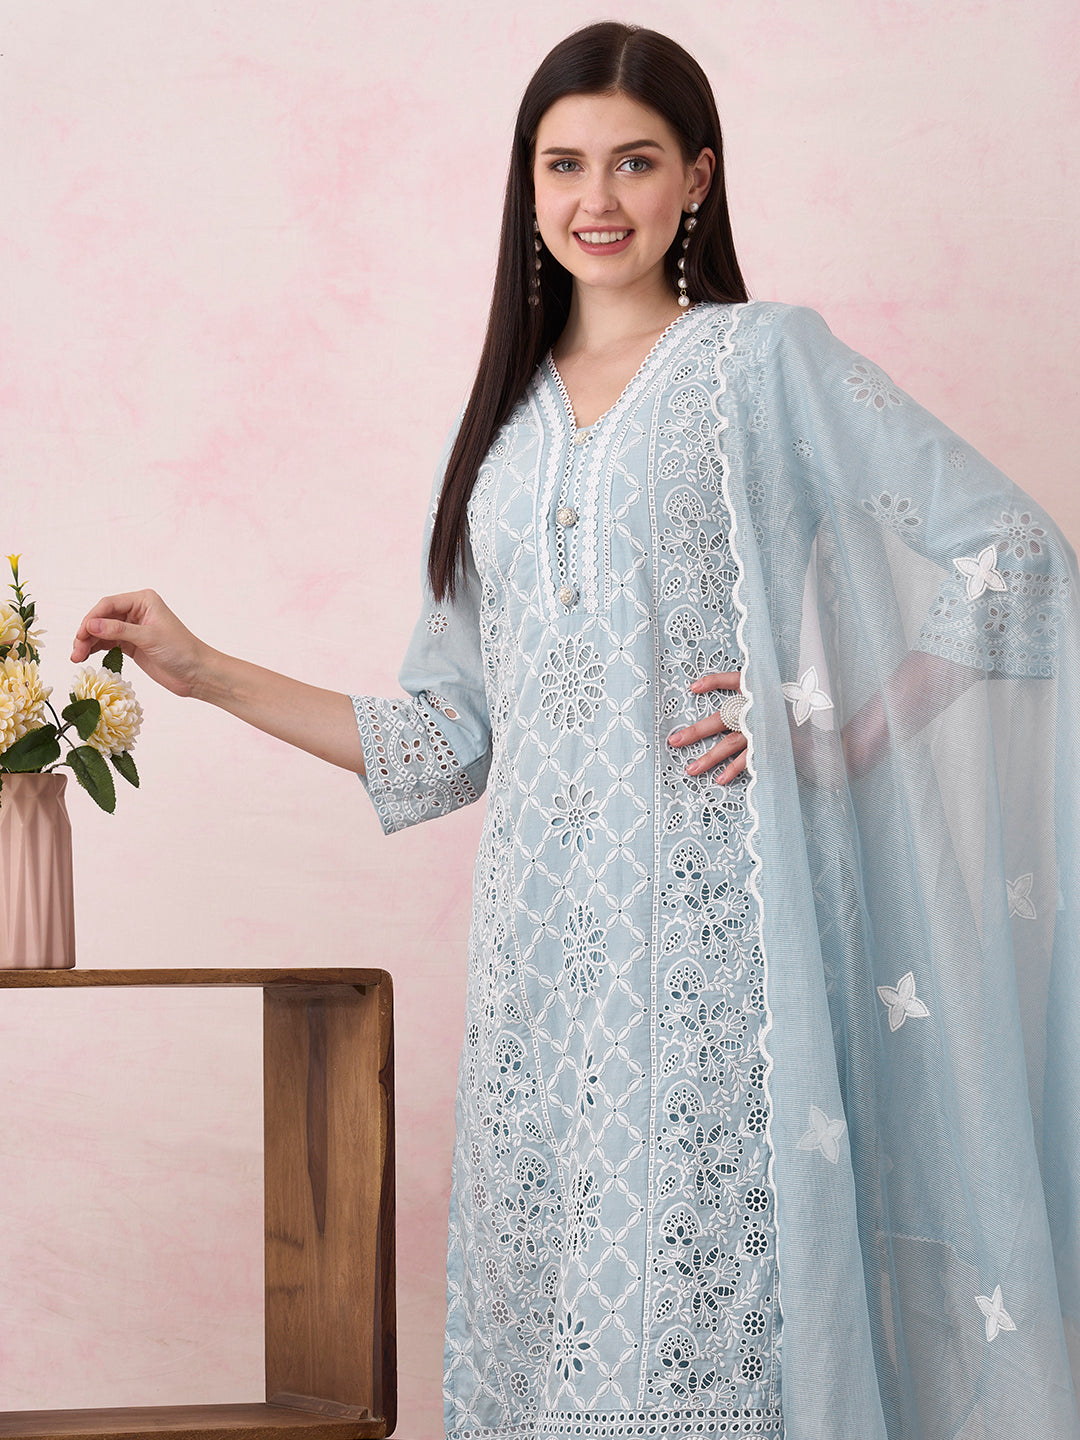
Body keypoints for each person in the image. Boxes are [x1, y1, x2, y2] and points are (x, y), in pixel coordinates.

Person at [72, 22, 1080, 1440]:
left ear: (697, 180)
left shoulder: (759, 362)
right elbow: (449, 741)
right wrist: (202, 670)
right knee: (553, 1346)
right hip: (539, 976)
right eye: (563, 165)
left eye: (634, 162)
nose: (595, 198)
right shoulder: (497, 433)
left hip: (722, 947)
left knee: (712, 1337)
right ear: (527, 185)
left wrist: (830, 738)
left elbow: (1011, 558)